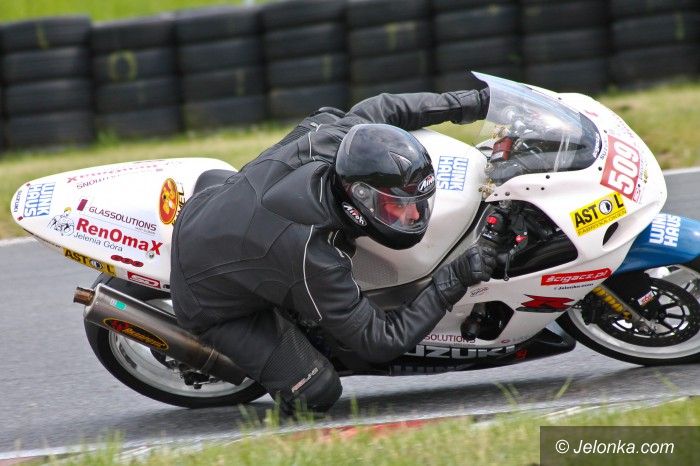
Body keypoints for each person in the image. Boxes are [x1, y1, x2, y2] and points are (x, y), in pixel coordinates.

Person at [170, 89, 497, 414]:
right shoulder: (312, 254)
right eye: (398, 206)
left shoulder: (338, 140)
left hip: (219, 204)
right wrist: (452, 280)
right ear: (360, 199)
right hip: (207, 296)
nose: (414, 214)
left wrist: (476, 102)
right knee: (318, 392)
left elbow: (383, 107)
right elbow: (379, 341)